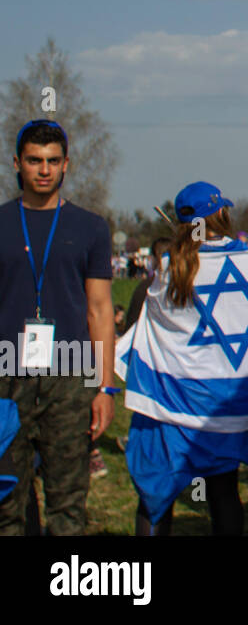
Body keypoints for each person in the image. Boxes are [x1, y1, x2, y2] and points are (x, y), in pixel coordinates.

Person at [116, 182, 248, 535]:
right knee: (223, 492)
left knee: (157, 496)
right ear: (222, 213)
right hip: (225, 406)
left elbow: (151, 328)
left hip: (175, 401)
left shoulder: (170, 267)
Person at [0, 119, 114, 536]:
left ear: (66, 164)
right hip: (7, 378)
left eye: (52, 161)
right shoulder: (2, 221)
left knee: (67, 503)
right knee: (7, 501)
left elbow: (100, 311)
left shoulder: (90, 227)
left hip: (69, 379)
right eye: (34, 160)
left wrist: (104, 389)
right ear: (17, 163)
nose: (43, 170)